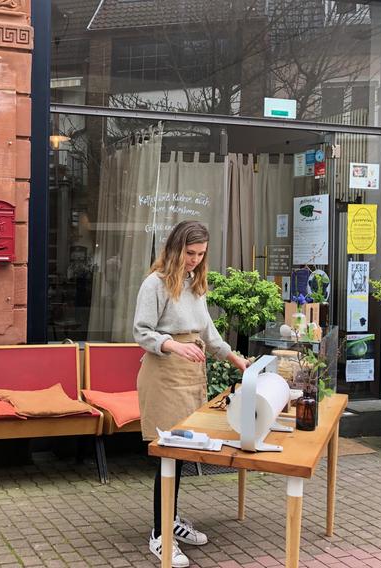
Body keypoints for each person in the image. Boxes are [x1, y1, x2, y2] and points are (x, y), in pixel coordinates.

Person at [133, 220, 248, 567]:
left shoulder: (195, 283)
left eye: (201, 254)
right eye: (190, 253)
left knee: (182, 454)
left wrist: (234, 358)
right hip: (163, 376)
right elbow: (141, 332)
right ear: (175, 248)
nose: (195, 260)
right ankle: (160, 534)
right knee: (169, 454)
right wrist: (173, 346)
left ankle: (171, 520)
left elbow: (208, 332)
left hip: (191, 376)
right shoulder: (154, 284)